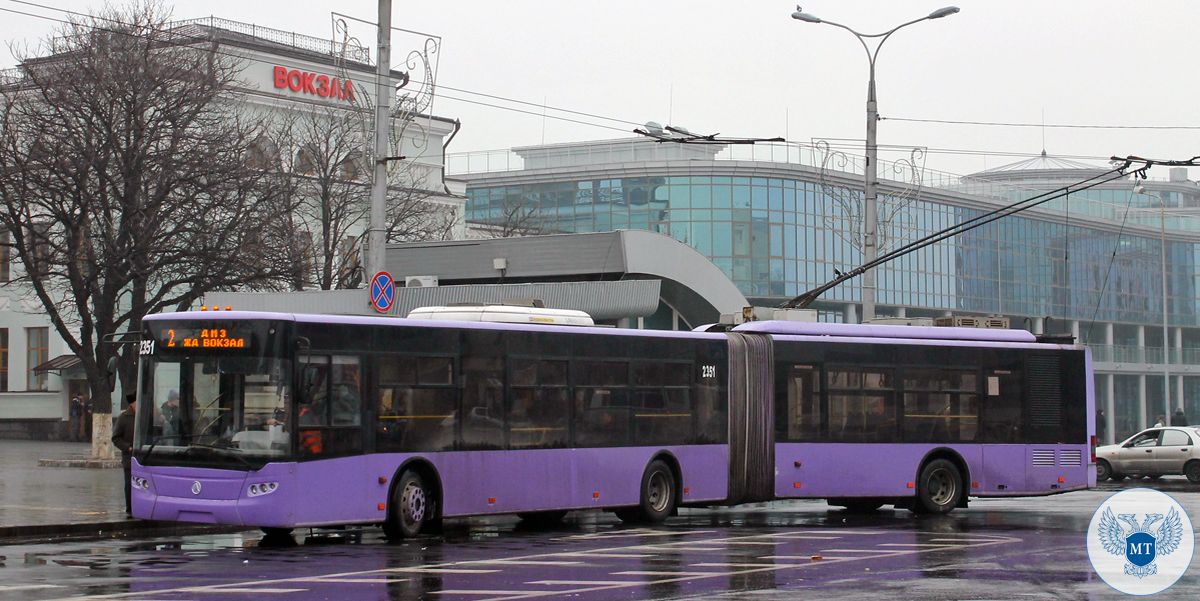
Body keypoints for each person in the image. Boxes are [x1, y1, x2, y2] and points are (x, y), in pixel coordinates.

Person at [111, 393, 137, 517]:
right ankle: (130, 508)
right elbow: (115, 438)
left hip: (143, 457)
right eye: (137, 402)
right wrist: (128, 447)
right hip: (129, 458)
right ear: (132, 403)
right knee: (129, 485)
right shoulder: (124, 418)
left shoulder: (144, 416)